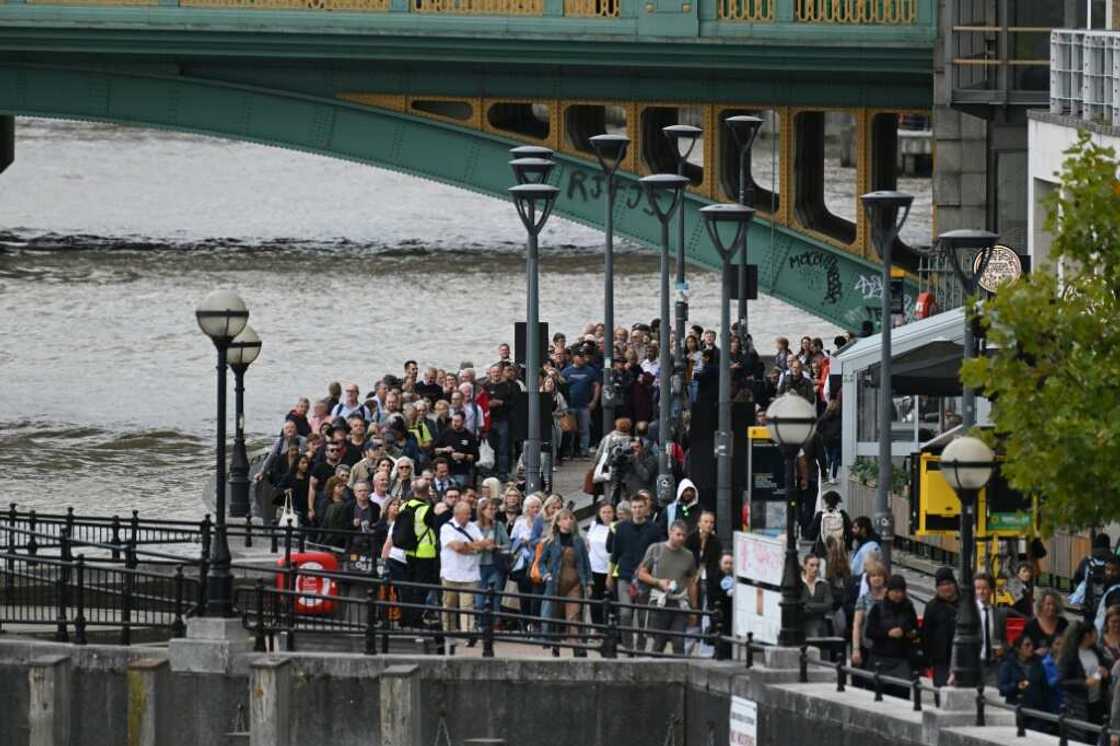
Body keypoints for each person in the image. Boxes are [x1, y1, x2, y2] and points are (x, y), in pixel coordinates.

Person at [607, 491, 664, 652]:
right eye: (634, 507)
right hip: (625, 575)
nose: (637, 510)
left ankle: (640, 647)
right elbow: (615, 554)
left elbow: (658, 554)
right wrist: (610, 576)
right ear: (631, 509)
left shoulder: (654, 528)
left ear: (646, 509)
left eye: (640, 507)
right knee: (625, 613)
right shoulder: (622, 527)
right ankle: (627, 646)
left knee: (641, 616)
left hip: (645, 577)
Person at [638, 519, 699, 656]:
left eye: (684, 535)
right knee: (659, 641)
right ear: (670, 532)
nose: (681, 538)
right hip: (660, 601)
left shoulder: (688, 556)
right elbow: (641, 573)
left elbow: (691, 582)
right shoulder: (656, 549)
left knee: (678, 641)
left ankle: (681, 672)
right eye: (678, 534)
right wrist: (658, 582)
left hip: (679, 602)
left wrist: (694, 609)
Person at [540, 508, 593, 656]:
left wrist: (588, 582)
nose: (568, 521)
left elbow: (585, 563)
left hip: (575, 583)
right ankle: (555, 645)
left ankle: (577, 647)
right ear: (557, 522)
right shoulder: (551, 541)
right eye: (564, 518)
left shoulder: (578, 541)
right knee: (555, 614)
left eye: (570, 518)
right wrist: (546, 575)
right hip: (555, 582)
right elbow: (541, 562)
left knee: (574, 614)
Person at [439, 501, 486, 637]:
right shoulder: (446, 528)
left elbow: (483, 545)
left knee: (468, 606)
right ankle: (449, 632)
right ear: (457, 514)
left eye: (470, 513)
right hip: (451, 572)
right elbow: (457, 547)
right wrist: (473, 546)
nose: (469, 516)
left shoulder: (473, 527)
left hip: (470, 572)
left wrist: (466, 546)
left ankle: (468, 634)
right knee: (449, 605)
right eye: (466, 514)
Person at [396, 481, 438, 628]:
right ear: (427, 492)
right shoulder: (427, 509)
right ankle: (415, 619)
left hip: (408, 551)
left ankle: (406, 617)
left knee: (408, 587)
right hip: (425, 553)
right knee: (421, 589)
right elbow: (435, 526)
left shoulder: (403, 506)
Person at [865, 574, 920, 686]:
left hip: (902, 659)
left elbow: (915, 630)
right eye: (894, 591)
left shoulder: (909, 608)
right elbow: (869, 631)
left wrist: (907, 633)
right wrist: (888, 633)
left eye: (900, 591)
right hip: (880, 658)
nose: (897, 595)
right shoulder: (878, 608)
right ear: (888, 591)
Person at [1057, 621, 1110, 730]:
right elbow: (1062, 681)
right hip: (1078, 705)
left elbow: (1104, 672)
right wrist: (1084, 682)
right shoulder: (1070, 655)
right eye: (1095, 632)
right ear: (1087, 635)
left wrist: (1106, 674)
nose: (1097, 635)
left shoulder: (1096, 651)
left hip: (1097, 702)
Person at [473, 496, 511, 638]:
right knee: (480, 598)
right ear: (482, 510)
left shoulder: (498, 525)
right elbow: (471, 545)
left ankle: (494, 626)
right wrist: (482, 546)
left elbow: (508, 544)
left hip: (495, 564)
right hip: (479, 565)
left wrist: (496, 546)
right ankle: (481, 625)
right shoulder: (474, 526)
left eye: (494, 509)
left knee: (495, 597)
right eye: (490, 509)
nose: (493, 512)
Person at [998, 635, 1052, 725]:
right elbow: (1003, 689)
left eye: (1032, 645)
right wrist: (1017, 686)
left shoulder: (1038, 663)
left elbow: (1045, 688)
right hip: (1018, 711)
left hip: (1037, 713)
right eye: (1027, 645)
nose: (1031, 648)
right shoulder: (1008, 665)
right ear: (1018, 649)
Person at [922, 566, 960, 687]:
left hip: (962, 658)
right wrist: (927, 660)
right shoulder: (932, 607)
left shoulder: (965, 604)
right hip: (941, 660)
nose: (946, 587)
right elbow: (926, 633)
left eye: (949, 583)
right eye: (942, 585)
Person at [851, 560, 888, 671]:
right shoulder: (863, 599)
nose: (876, 578)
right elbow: (857, 625)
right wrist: (856, 649)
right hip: (867, 646)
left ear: (885, 578)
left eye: (879, 575)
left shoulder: (890, 598)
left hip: (888, 648)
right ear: (868, 579)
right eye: (873, 576)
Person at [975, 572, 1010, 680]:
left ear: (991, 590)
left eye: (985, 588)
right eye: (978, 588)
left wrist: (1003, 648)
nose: (981, 592)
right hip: (975, 664)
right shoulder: (970, 612)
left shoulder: (999, 614)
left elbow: (1003, 639)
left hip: (994, 664)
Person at [586, 501, 615, 626]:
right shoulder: (594, 525)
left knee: (610, 598)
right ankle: (597, 626)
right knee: (595, 598)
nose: (607, 515)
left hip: (609, 568)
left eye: (609, 512)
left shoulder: (616, 527)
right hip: (594, 567)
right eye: (604, 512)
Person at [433, 412, 479, 487]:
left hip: (462, 471)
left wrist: (463, 456)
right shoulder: (446, 433)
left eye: (457, 421)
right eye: (453, 421)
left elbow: (476, 457)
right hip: (446, 470)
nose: (454, 423)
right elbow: (434, 449)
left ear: (463, 422)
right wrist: (444, 449)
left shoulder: (469, 436)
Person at [1023, 590, 1069, 656]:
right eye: (1048, 604)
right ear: (1041, 605)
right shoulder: (1031, 626)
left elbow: (1070, 646)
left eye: (1054, 604)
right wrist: (1034, 653)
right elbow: (1023, 649)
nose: (1052, 607)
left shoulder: (1063, 624)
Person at [808, 491, 852, 557]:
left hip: (823, 548)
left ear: (826, 501)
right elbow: (849, 532)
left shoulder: (820, 514)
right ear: (837, 502)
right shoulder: (842, 514)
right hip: (839, 548)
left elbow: (812, 532)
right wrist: (848, 545)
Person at [800, 553, 834, 640]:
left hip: (821, 624)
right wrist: (819, 607)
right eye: (812, 565)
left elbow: (828, 605)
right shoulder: (799, 584)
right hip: (804, 624)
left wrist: (809, 605)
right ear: (804, 566)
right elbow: (800, 607)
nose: (815, 568)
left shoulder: (824, 584)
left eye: (817, 565)